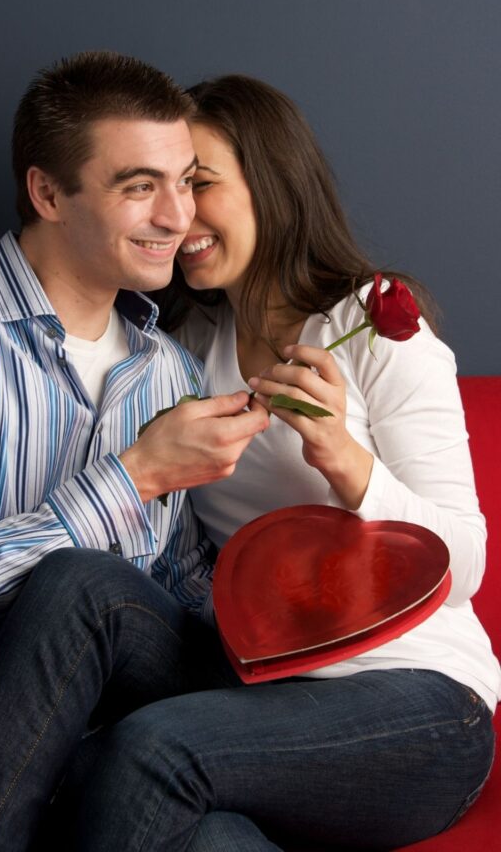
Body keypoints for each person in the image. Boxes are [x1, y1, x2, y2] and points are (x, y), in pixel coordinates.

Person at [61, 74, 501, 851]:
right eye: (163, 187)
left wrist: (345, 458)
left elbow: (463, 561)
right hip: (263, 695)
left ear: (269, 183)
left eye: (200, 184)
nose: (180, 214)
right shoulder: (187, 352)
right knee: (198, 829)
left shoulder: (371, 324)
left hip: (419, 702)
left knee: (152, 749)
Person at [0, 54, 269, 850]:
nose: (177, 216)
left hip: (110, 758)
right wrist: (135, 476)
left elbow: (169, 593)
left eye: (186, 181)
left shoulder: (170, 372)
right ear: (48, 193)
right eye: (139, 186)